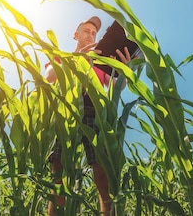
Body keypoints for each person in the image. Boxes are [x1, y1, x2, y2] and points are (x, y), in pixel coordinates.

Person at [45, 16, 131, 216]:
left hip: (95, 109)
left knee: (104, 175)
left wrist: (125, 70)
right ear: (76, 34)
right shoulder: (64, 56)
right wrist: (76, 59)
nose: (91, 35)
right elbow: (49, 76)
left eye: (94, 33)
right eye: (86, 31)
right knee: (60, 176)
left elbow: (117, 85)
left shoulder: (101, 62)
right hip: (66, 108)